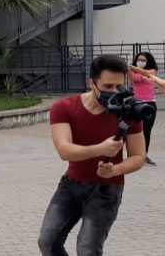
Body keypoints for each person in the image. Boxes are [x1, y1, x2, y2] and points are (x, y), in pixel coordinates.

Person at [37, 55, 146, 256]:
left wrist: (116, 169)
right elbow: (64, 150)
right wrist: (100, 149)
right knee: (47, 241)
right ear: (91, 83)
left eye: (119, 86)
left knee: (87, 249)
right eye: (107, 86)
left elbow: (139, 156)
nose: (114, 92)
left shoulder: (129, 112)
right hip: (71, 185)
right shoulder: (64, 108)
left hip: (107, 190)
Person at [130, 52, 158, 166]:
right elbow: (136, 79)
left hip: (150, 103)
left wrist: (141, 72)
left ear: (148, 61)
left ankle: (144, 154)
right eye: (139, 60)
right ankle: (134, 155)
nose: (140, 62)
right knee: (135, 130)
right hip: (137, 104)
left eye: (143, 60)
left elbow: (148, 74)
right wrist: (141, 73)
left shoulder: (153, 70)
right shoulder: (132, 72)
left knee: (147, 130)